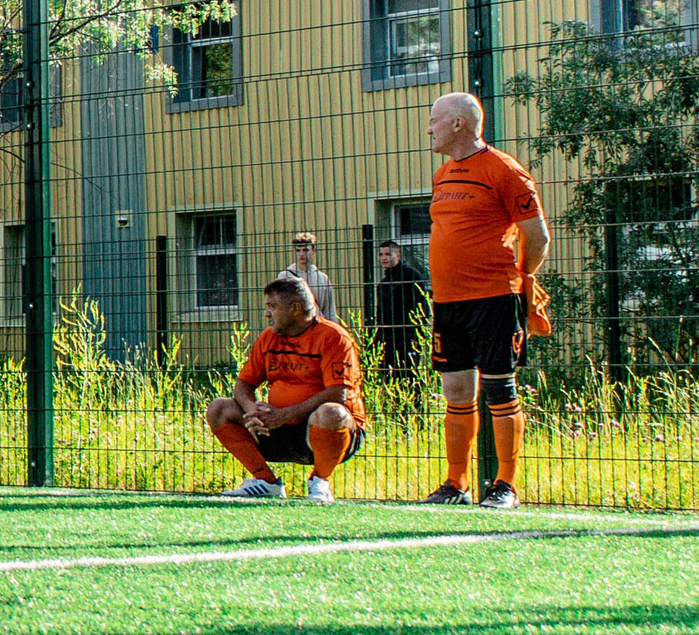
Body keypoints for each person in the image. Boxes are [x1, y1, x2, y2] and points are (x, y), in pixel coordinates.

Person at [420, 91, 549, 509]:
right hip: (448, 301)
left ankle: (505, 486)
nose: (429, 129)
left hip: (494, 298)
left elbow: (538, 236)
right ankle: (456, 484)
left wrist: (522, 278)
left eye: (435, 120)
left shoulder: (504, 170)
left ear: (458, 124)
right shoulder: (443, 175)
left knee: (499, 387)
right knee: (456, 389)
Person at [208, 275, 366, 503]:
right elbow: (243, 384)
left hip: (325, 431)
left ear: (295, 309)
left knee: (332, 412)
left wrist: (284, 415)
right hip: (275, 427)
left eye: (272, 306)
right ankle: (265, 482)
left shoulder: (334, 337)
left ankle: (320, 482)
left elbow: (337, 393)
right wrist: (253, 411)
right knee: (219, 408)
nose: (267, 314)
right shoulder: (269, 338)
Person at [372, 239, 430, 373]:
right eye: (381, 254)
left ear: (398, 256)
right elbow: (381, 313)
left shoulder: (411, 276)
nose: (383, 258)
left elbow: (421, 308)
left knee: (407, 374)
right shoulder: (384, 282)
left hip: (406, 336)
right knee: (388, 375)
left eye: (388, 254)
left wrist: (416, 334)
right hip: (388, 337)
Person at [284, 232, 338, 321]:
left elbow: (329, 310)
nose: (301, 254)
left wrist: (333, 325)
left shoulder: (323, 278)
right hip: (295, 325)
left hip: (318, 324)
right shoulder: (286, 276)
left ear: (314, 251)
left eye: (305, 250)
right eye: (298, 250)